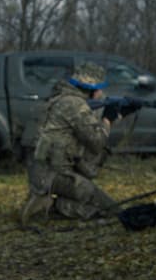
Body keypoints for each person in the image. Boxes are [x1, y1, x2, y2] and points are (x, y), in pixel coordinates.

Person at [20, 62, 119, 224]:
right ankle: (51, 205)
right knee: (108, 207)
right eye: (100, 89)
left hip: (40, 172)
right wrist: (108, 121)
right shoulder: (76, 105)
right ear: (92, 89)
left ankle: (45, 200)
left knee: (91, 195)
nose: (102, 93)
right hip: (53, 175)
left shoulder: (56, 98)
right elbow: (96, 143)